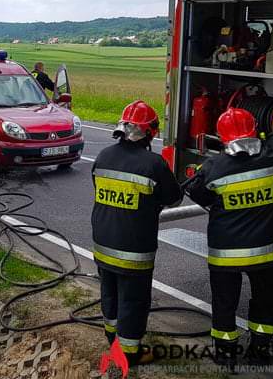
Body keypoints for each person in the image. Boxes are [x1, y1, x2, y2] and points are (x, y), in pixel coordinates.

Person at [185, 89, 273, 368]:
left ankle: (225, 354)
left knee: (225, 304)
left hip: (227, 254)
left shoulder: (214, 167)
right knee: (266, 300)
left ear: (223, 138)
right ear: (255, 130)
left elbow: (198, 194)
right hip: (266, 252)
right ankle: (260, 350)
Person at [91, 100, 182, 365]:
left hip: (103, 242)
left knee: (109, 292)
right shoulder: (153, 163)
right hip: (133, 248)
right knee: (133, 299)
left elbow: (99, 187)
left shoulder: (103, 156)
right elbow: (173, 199)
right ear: (150, 132)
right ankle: (130, 353)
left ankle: (112, 337)